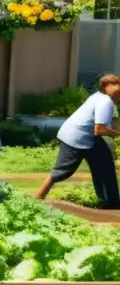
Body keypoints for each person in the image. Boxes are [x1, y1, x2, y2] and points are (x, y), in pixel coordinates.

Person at [36, 74, 120, 206]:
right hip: (76, 136)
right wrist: (117, 134)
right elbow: (99, 130)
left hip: (87, 136)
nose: (118, 87)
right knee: (63, 171)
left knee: (104, 163)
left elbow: (110, 124)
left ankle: (111, 201)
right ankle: (37, 198)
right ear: (106, 86)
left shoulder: (100, 97)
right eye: (116, 84)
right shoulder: (105, 101)